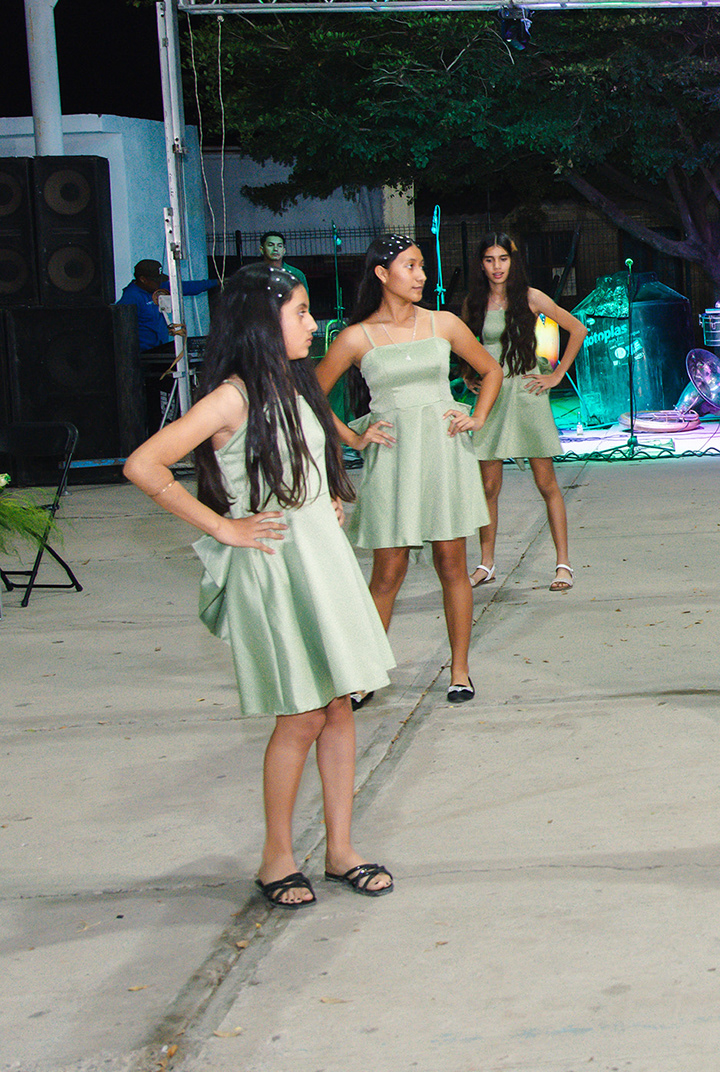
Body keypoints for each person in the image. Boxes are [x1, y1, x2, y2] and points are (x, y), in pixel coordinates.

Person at [122, 265, 397, 907]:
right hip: (276, 570)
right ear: (261, 322)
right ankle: (276, 858)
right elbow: (143, 464)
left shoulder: (294, 385)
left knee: (338, 707)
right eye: (300, 312)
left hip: (321, 560)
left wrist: (324, 498)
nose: (313, 323)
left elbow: (299, 460)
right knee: (300, 715)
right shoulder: (232, 397)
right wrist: (225, 527)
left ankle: (340, 849)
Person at [316, 236, 501, 704]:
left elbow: (491, 370)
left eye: (421, 266)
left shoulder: (444, 323)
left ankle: (460, 671)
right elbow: (311, 395)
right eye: (410, 266)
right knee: (388, 570)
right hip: (393, 458)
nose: (421, 275)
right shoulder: (355, 336)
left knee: (452, 563)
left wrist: (477, 416)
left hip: (443, 452)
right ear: (382, 273)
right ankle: (365, 672)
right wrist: (353, 437)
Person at [458, 234, 585, 592]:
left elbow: (577, 329)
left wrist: (556, 375)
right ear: (481, 264)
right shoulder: (474, 301)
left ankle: (563, 564)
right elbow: (466, 344)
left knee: (546, 484)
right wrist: (469, 374)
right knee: (488, 487)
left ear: (512, 261)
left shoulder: (530, 297)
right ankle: (486, 564)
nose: (497, 266)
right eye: (489, 260)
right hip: (492, 396)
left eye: (502, 259)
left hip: (527, 393)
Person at [119, 258, 220, 431]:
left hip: (160, 353)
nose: (160, 283)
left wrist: (216, 282)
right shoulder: (131, 297)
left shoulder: (156, 288)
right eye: (155, 280)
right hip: (144, 358)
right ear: (143, 279)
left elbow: (186, 287)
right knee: (157, 401)